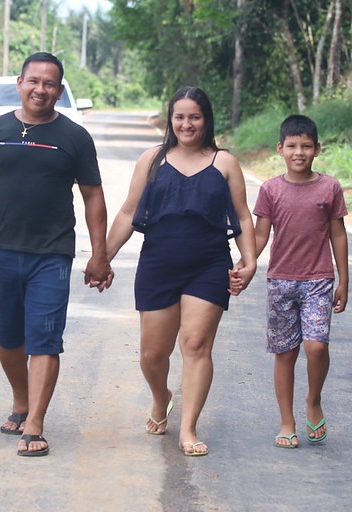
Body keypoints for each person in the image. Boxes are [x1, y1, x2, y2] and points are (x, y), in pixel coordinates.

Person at [0, 52, 111, 457]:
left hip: (52, 254)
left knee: (45, 339)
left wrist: (99, 253)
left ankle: (35, 422)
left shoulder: (74, 137)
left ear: (59, 89)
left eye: (50, 83)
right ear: (20, 83)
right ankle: (21, 400)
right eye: (34, 81)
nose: (41, 89)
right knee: (7, 337)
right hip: (2, 249)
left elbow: (93, 196)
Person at [106, 86, 257, 457]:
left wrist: (250, 262)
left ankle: (188, 428)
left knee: (195, 345)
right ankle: (162, 398)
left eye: (195, 117)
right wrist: (102, 257)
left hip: (209, 264)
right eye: (180, 117)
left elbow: (241, 216)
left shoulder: (225, 163)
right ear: (170, 119)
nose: (187, 124)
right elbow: (128, 212)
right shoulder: (152, 160)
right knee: (152, 355)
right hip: (158, 263)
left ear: (206, 120)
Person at [252, 114, 349, 449]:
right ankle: (287, 421)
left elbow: (338, 234)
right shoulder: (270, 190)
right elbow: (260, 234)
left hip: (319, 280)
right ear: (280, 149)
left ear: (317, 149)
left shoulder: (329, 187)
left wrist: (344, 280)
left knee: (316, 346)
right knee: (285, 353)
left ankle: (313, 400)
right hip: (280, 280)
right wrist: (245, 262)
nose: (299, 152)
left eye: (306, 146)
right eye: (292, 145)